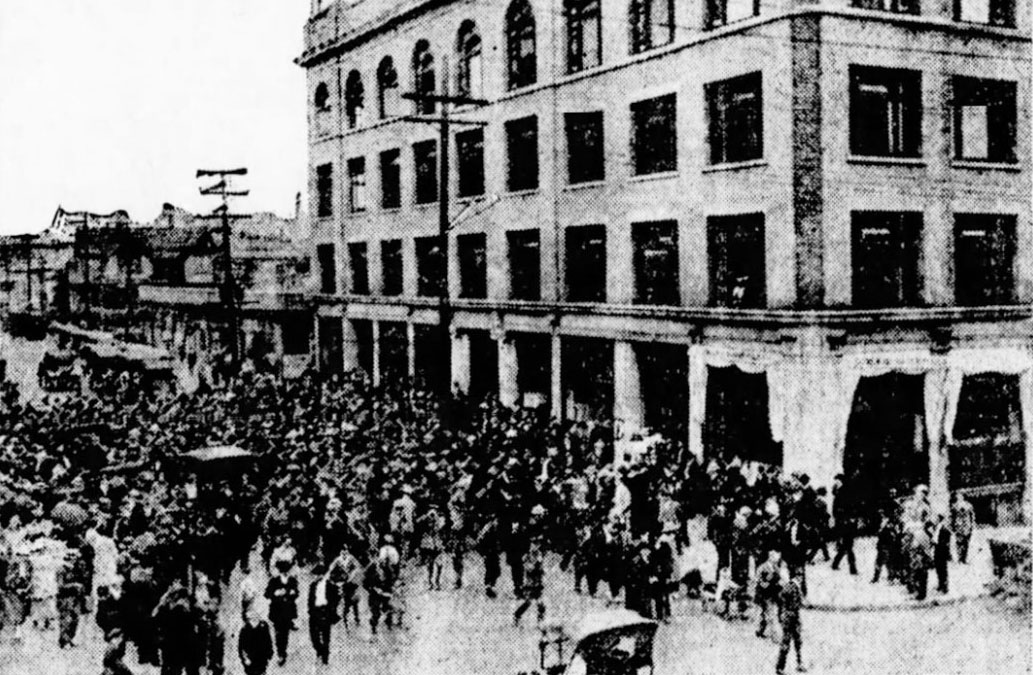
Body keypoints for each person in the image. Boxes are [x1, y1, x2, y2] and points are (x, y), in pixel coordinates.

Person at [264, 559, 299, 666]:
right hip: (277, 611)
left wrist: (292, 593)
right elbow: (266, 594)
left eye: (287, 571)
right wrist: (275, 593)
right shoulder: (274, 581)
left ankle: (283, 652)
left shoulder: (293, 580)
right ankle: (281, 653)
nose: (285, 573)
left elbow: (297, 593)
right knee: (279, 634)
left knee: (285, 633)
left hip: (288, 611)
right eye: (283, 571)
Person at [775, 566, 806, 675]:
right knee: (786, 643)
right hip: (789, 618)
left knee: (798, 642)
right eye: (800, 575)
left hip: (794, 617)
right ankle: (780, 667)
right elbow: (781, 598)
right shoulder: (790, 587)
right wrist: (784, 612)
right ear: (796, 576)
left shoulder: (794, 586)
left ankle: (799, 663)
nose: (801, 577)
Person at [307, 564, 338, 665]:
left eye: (316, 575)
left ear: (322, 575)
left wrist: (332, 610)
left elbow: (336, 599)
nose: (315, 577)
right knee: (314, 637)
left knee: (325, 636)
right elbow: (310, 599)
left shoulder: (330, 586)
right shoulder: (312, 585)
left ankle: (325, 657)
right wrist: (310, 610)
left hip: (325, 612)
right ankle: (320, 650)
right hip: (314, 613)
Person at [512, 541, 545, 628]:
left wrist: (540, 569)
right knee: (528, 603)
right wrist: (536, 565)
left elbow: (541, 569)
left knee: (540, 604)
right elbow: (528, 568)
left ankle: (540, 623)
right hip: (530, 584)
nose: (536, 546)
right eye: (534, 544)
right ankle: (516, 616)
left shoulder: (539, 554)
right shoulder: (527, 556)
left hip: (537, 583)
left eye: (538, 544)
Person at [830, 475, 857, 575]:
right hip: (844, 523)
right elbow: (835, 510)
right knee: (848, 545)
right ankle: (851, 568)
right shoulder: (839, 493)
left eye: (837, 481)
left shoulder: (844, 493)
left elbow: (850, 507)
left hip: (846, 522)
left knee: (847, 545)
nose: (836, 483)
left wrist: (849, 517)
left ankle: (837, 564)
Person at [238, 606, 274, 675]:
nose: (254, 619)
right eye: (251, 617)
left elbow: (268, 640)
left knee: (261, 671)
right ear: (248, 619)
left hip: (262, 658)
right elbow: (241, 647)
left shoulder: (263, 626)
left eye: (255, 616)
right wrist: (244, 659)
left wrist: (269, 652)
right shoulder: (245, 629)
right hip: (250, 659)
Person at [755, 550, 782, 639]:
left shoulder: (776, 568)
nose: (777, 560)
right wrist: (763, 584)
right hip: (763, 594)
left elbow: (779, 578)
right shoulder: (763, 567)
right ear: (770, 557)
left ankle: (769, 633)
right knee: (765, 614)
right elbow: (758, 579)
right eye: (775, 558)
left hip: (772, 594)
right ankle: (761, 630)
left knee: (770, 614)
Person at [950, 493, 975, 564]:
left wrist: (972, 525)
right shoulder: (954, 506)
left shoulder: (969, 505)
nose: (959, 497)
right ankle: (959, 558)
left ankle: (964, 559)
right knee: (959, 543)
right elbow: (952, 517)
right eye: (958, 496)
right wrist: (952, 526)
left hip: (967, 526)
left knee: (966, 543)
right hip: (958, 526)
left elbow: (972, 516)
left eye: (961, 496)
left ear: (964, 497)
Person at [933, 513, 952, 594]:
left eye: (936, 518)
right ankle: (940, 584)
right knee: (938, 569)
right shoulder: (937, 527)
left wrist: (947, 552)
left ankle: (945, 587)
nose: (935, 520)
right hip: (937, 549)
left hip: (942, 550)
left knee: (943, 569)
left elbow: (946, 542)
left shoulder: (944, 528)